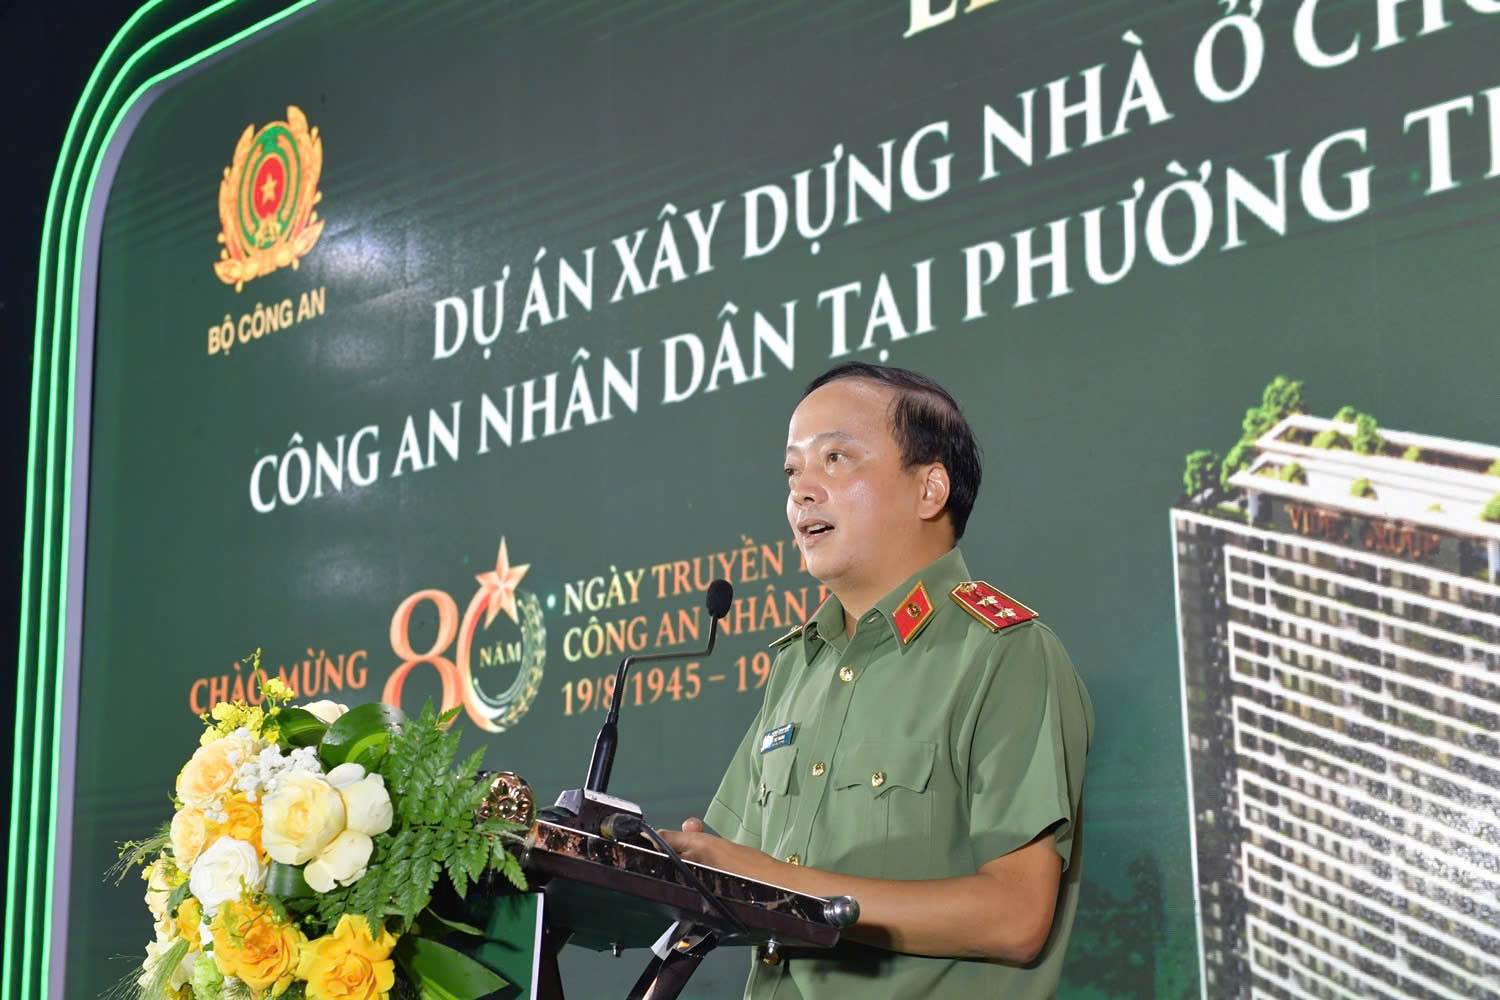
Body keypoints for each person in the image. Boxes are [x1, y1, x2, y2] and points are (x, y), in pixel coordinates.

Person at [662, 362, 1094, 999]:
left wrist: (780, 885)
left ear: (930, 491)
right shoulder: (796, 667)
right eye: (792, 470)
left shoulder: (1005, 653)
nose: (802, 491)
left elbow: (1016, 917)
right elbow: (732, 866)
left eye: (835, 458)